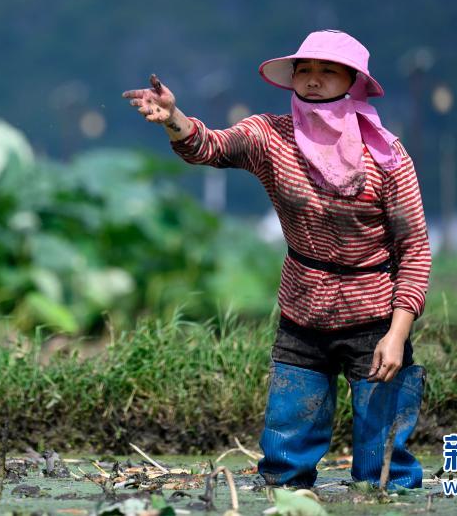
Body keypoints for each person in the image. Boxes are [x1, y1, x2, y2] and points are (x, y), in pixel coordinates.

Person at [121, 29, 430, 490]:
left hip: (374, 316)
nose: (312, 80)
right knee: (284, 464)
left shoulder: (386, 157)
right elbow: (211, 146)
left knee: (384, 470)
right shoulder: (272, 137)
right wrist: (173, 118)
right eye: (304, 70)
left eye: (327, 71)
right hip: (302, 312)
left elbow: (415, 249)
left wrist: (397, 333)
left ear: (354, 82)